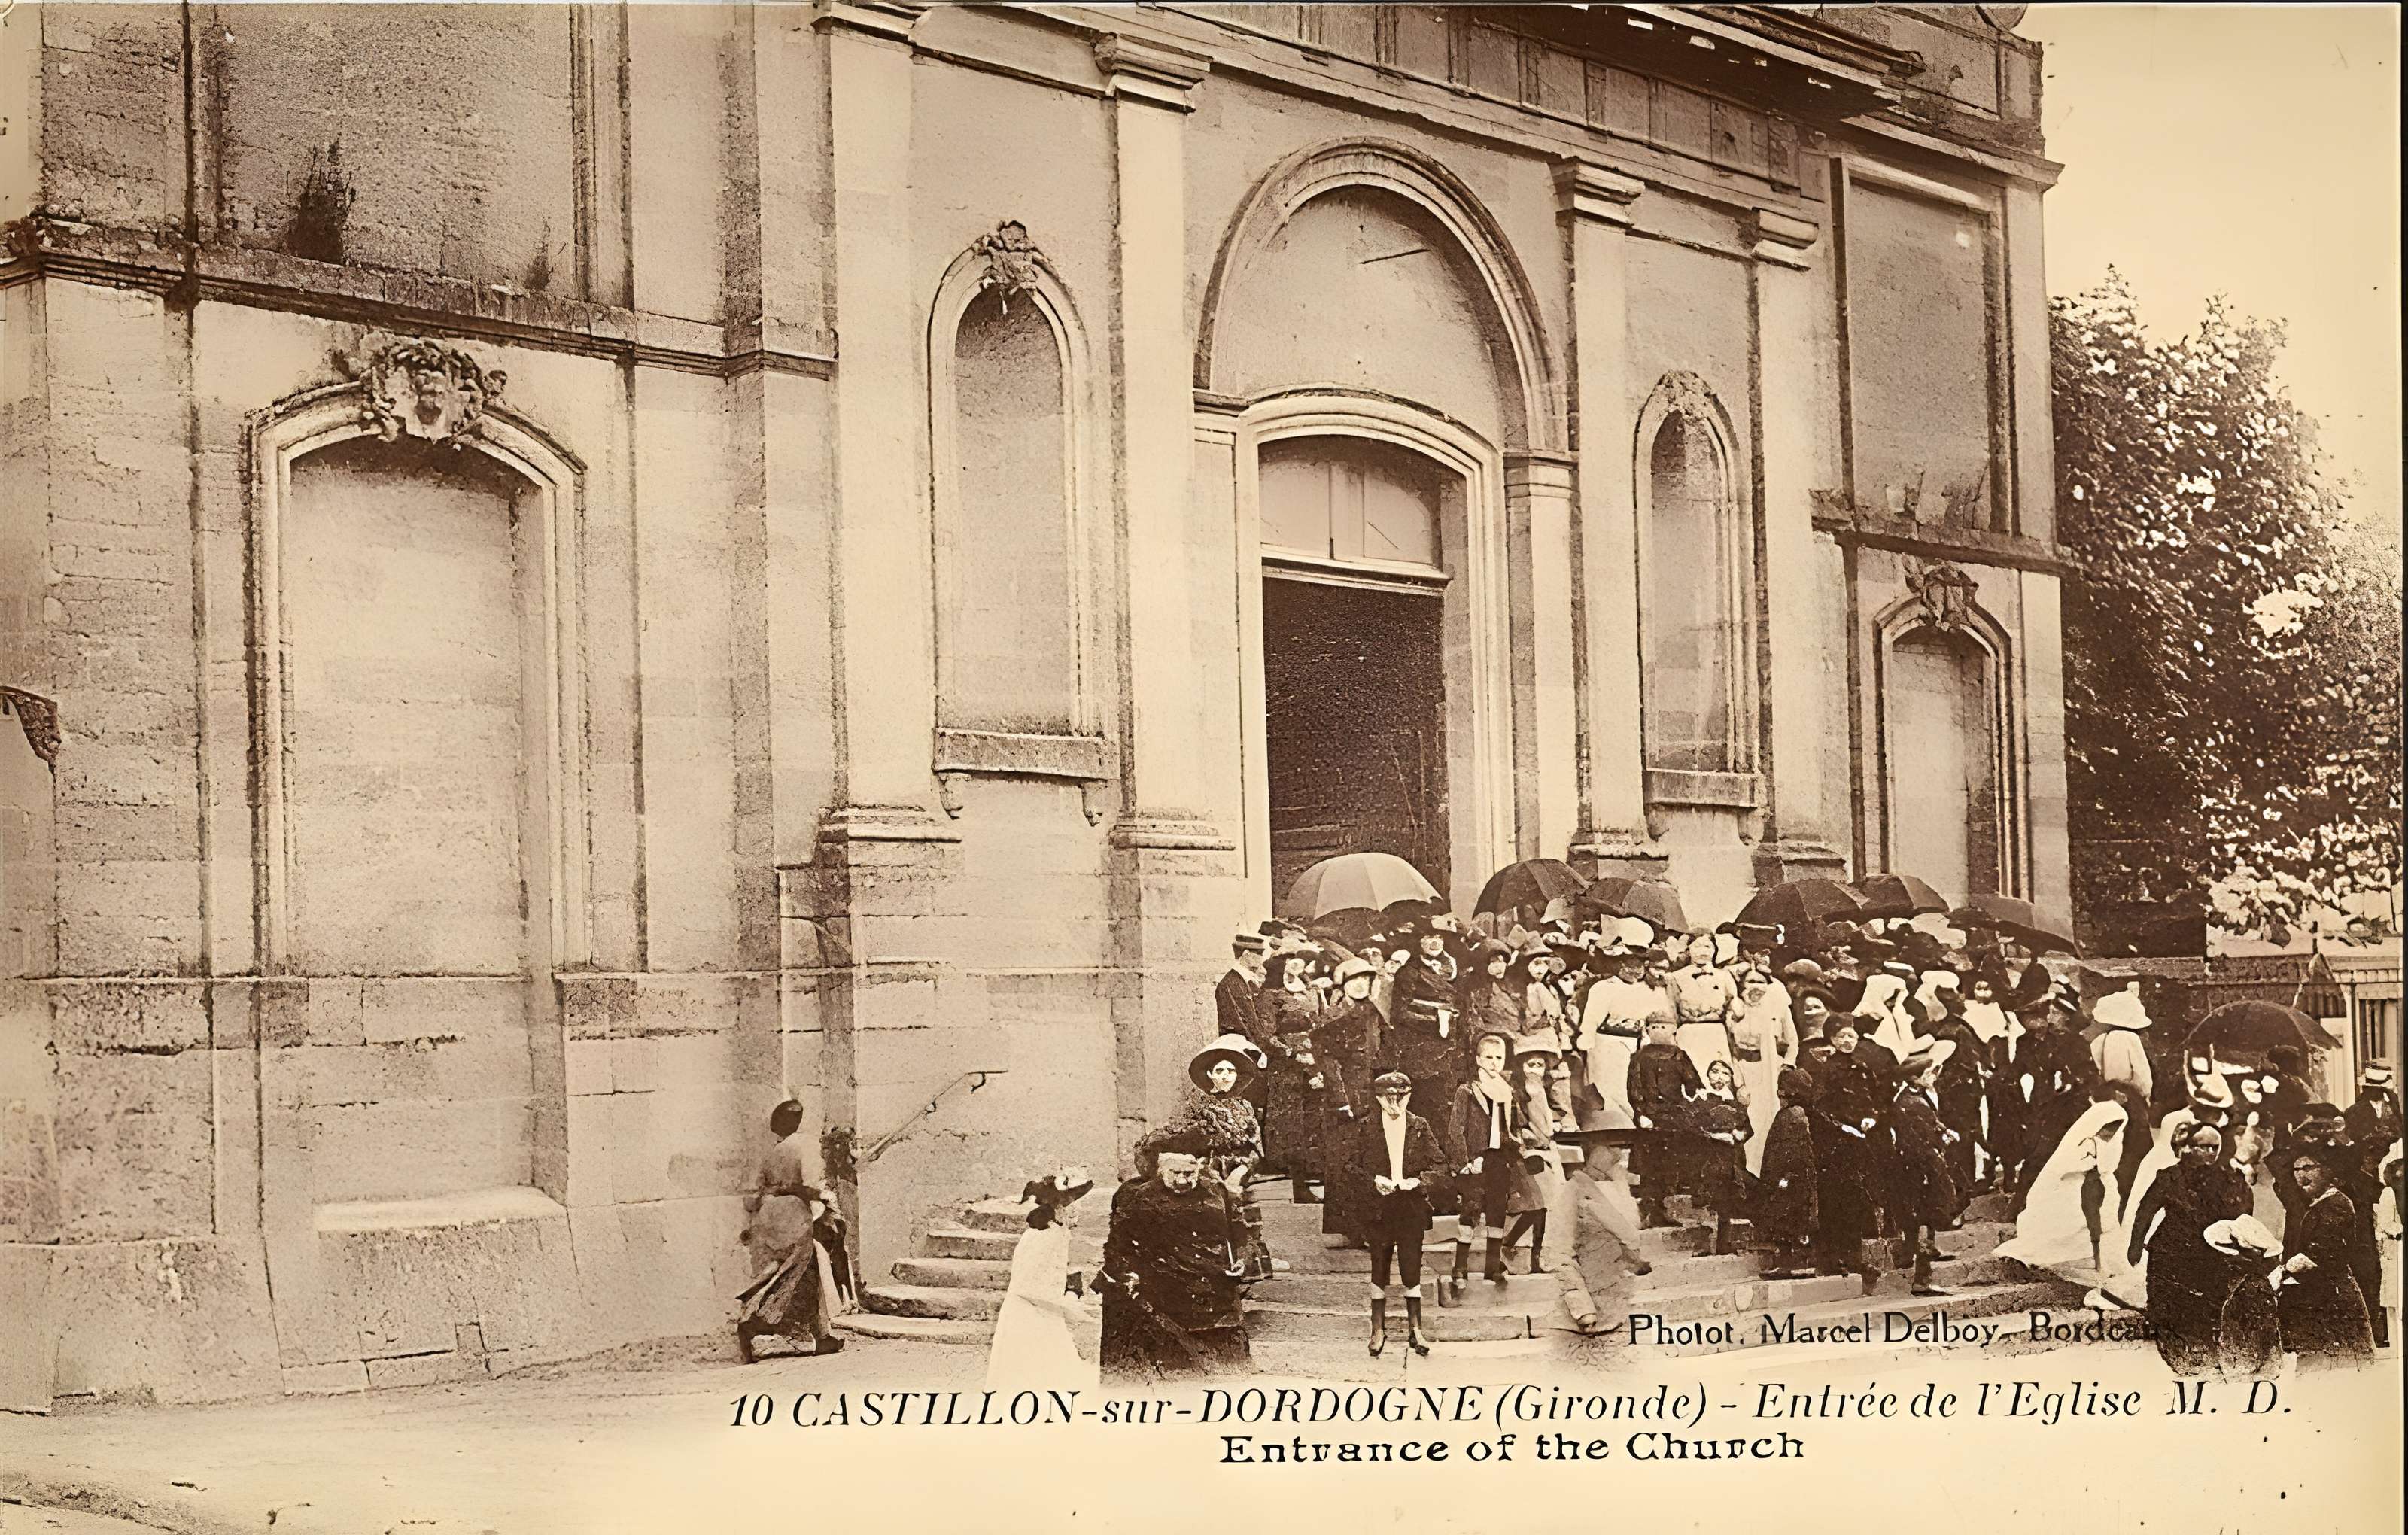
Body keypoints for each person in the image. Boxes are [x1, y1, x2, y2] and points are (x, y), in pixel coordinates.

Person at [1098, 1129, 1253, 1382]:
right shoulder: (1139, 1197)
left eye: (1189, 1174)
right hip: (1166, 1294)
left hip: (1214, 1294)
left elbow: (1240, 1233)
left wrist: (1242, 1260)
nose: (1183, 1181)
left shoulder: (1217, 1192)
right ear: (1161, 1171)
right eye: (1176, 1174)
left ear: (1199, 1169)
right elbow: (1119, 1245)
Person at [2122, 1122, 2252, 1376]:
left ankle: (2204, 1362)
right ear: (2190, 1148)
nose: (2210, 1153)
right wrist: (2135, 1245)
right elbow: (2145, 1211)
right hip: (2173, 1251)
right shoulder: (2170, 1177)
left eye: (2215, 1148)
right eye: (2204, 1147)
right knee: (2170, 1312)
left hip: (2209, 1252)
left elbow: (2243, 1210)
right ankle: (2176, 1360)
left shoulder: (2227, 1177)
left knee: (2206, 1312)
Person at [735, 1099, 847, 1363]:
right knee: (803, 1272)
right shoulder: (804, 1146)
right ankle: (762, 1322)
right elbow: (810, 1185)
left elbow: (757, 1190)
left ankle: (818, 1334)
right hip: (794, 1213)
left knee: (777, 1269)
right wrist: (830, 1204)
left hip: (770, 1213)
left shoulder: (772, 1151)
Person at [1351, 1070, 1449, 1357]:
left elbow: (1440, 1165)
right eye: (1387, 1097)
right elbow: (1349, 1167)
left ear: (1409, 1096)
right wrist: (1373, 1182)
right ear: (1378, 1098)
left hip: (1410, 1207)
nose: (1394, 1103)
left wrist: (1419, 1181)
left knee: (1411, 1266)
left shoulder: (1419, 1126)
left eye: (1400, 1097)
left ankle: (1415, 1328)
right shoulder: (1366, 1126)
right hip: (1380, 1208)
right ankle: (1377, 1328)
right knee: (1378, 1266)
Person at [1167, 1035, 1276, 1284]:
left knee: (1243, 1222)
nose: (1226, 1077)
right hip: (1208, 1172)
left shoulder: (1245, 1107)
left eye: (1231, 1071)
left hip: (1239, 1174)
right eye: (1219, 1071)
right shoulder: (1196, 1106)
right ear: (1209, 1074)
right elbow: (1186, 1144)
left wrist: (1240, 1172)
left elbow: (1255, 1147)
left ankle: (1246, 1270)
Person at [1995, 1094, 2133, 1288]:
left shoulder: (2115, 1142)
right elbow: (2068, 1165)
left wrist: (2103, 1171)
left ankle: (2101, 1261)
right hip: (2078, 1185)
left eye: (2114, 1129)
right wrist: (2091, 1164)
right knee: (2076, 1222)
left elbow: (2111, 1164)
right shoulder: (2085, 1142)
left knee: (2105, 1223)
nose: (2110, 1133)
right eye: (2107, 1128)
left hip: (2102, 1186)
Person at [986, 1169, 1099, 1390]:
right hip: (1030, 1310)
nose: (1077, 1210)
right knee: (1032, 1368)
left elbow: (1052, 1270)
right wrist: (1069, 1297)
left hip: (1043, 1307)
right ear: (1057, 1209)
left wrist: (1068, 1285)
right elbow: (1026, 1284)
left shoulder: (1056, 1233)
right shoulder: (1042, 1237)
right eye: (1070, 1204)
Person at [2276, 1144, 2378, 1368]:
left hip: (2334, 1295)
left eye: (2308, 1167)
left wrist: (2284, 1271)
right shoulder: (2320, 1205)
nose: (2301, 1175)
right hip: (2322, 1293)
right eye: (2296, 1169)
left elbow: (2322, 1251)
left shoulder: (2336, 1204)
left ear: (2327, 1171)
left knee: (2340, 1364)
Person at [1446, 1030, 1531, 1292]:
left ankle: (1492, 1266)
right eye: (1489, 1058)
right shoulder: (1468, 1091)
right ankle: (1460, 1267)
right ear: (1479, 1059)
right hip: (1476, 1160)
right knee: (1470, 1212)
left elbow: (1514, 1126)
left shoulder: (1507, 1092)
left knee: (1496, 1212)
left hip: (1499, 1159)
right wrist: (1465, 1161)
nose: (1494, 1063)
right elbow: (1455, 1129)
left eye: (1499, 1058)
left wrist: (1519, 1143)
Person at [1808, 1014, 1886, 1281]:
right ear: (1831, 1039)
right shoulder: (1825, 1070)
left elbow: (1874, 1100)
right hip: (1835, 1144)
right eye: (1841, 1036)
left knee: (1856, 1199)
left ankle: (1855, 1258)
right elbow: (1818, 1109)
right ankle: (1832, 1259)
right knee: (1835, 1200)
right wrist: (1842, 1128)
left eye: (1851, 1036)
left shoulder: (1862, 1068)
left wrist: (1871, 1117)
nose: (1847, 1041)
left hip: (1860, 1141)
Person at [1313, 956, 1385, 1245]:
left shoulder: (1372, 1014)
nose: (1360, 985)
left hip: (1370, 1096)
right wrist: (1341, 1101)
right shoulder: (1335, 1017)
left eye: (1366, 981)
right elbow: (1329, 1064)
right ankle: (1352, 1227)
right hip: (1344, 1101)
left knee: (1370, 1160)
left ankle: (1368, 1224)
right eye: (1355, 980)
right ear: (1344, 985)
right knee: (1346, 1162)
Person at [1890, 1040, 1965, 1296]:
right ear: (1913, 1079)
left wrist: (1943, 1130)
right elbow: (1921, 1138)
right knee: (1925, 1216)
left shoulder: (1915, 1098)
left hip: (1918, 1167)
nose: (1934, 1076)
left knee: (1922, 1218)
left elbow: (1932, 1123)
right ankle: (1922, 1279)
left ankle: (1911, 1256)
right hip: (1921, 1169)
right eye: (1928, 1074)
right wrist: (1941, 1141)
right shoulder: (1911, 1105)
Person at [1260, 952, 1327, 1202]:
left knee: (1313, 1122)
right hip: (1286, 1069)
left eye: (1300, 959)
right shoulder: (1271, 996)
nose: (1296, 964)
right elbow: (1266, 1034)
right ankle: (1295, 1186)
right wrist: (1290, 1053)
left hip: (1313, 1064)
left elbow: (1322, 1023)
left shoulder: (1312, 991)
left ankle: (1309, 1183)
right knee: (1291, 1127)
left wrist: (1317, 1054)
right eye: (1291, 959)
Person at [1389, 923, 1464, 1142]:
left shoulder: (1451, 968)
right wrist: (1433, 1021)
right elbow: (1400, 1013)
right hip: (1421, 1046)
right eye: (1428, 937)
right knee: (1424, 1100)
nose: (1434, 942)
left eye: (1439, 937)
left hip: (1449, 1043)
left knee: (1447, 1099)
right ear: (1418, 942)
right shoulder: (1410, 971)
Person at [1628, 1011, 1703, 1230]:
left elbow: (1692, 1083)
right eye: (1654, 1027)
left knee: (1672, 1164)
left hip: (1674, 1117)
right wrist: (1640, 1113)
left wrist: (1691, 1100)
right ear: (1648, 1030)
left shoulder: (1679, 1056)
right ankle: (1651, 1210)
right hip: (1650, 1117)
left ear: (1673, 1029)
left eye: (1664, 1026)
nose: (1659, 1031)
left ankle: (1666, 1209)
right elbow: (1634, 1087)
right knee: (1650, 1166)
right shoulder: (1639, 1057)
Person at [1728, 965, 1798, 1174]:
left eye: (1761, 982)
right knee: (1744, 1119)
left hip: (1769, 1071)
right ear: (1742, 987)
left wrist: (1785, 1067)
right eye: (1751, 982)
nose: (1756, 987)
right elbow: (1729, 1045)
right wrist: (1738, 1079)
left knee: (1766, 1119)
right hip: (1741, 1069)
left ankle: (1766, 1171)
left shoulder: (1778, 1010)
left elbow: (1793, 1043)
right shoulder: (1734, 1010)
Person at [1756, 1065, 1821, 1278]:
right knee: (1788, 1218)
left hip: (1791, 1179)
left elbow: (1795, 1151)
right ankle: (1792, 1262)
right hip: (1789, 1177)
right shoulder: (1791, 1114)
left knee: (1790, 1218)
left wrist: (1785, 1177)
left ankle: (1792, 1263)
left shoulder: (1794, 1115)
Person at [1690, 1059, 1753, 1256]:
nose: (1719, 1077)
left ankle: (1724, 1244)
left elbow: (1748, 1128)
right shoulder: (1701, 1101)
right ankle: (1702, 1245)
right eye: (1715, 1072)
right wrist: (1717, 1136)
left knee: (1727, 1201)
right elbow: (1693, 1129)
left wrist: (1740, 1134)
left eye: (1725, 1074)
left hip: (1732, 1160)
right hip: (1708, 1158)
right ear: (1708, 1076)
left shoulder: (1736, 1104)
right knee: (1707, 1200)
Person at [1666, 932, 1738, 1078]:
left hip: (1717, 1035)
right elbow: (1671, 1012)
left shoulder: (1724, 976)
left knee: (1718, 1077)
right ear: (1688, 950)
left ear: (1715, 949)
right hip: (1688, 1035)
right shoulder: (1676, 977)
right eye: (1697, 946)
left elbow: (1733, 1008)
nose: (1703, 951)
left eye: (1708, 946)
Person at [2089, 986, 2154, 1105]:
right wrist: (2145, 1098)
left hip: (2110, 1095)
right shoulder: (2130, 1038)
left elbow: (2099, 1071)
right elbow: (2143, 1075)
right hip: (2130, 1095)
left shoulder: (2099, 1041)